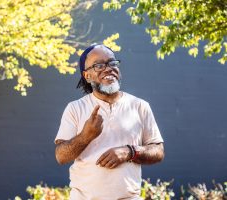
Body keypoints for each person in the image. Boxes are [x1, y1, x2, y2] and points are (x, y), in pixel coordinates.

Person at [54, 44, 164, 200]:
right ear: (87, 76)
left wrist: (129, 152)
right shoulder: (75, 108)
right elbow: (61, 156)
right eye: (99, 65)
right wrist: (86, 136)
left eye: (112, 63)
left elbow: (158, 152)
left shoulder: (140, 106)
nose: (108, 68)